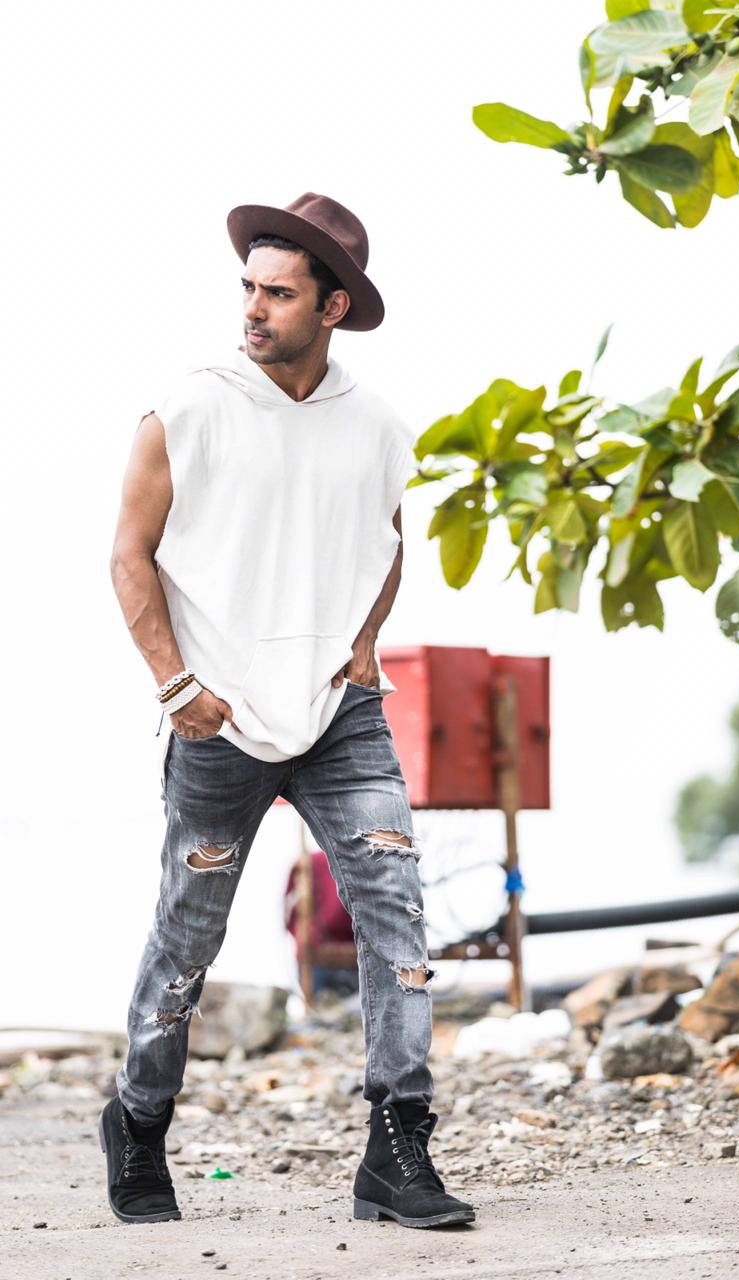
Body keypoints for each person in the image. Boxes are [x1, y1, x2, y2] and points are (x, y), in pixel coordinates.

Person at [100, 192, 476, 1230]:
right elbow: (129, 555)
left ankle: (397, 1147)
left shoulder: (378, 425)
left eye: (277, 293)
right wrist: (176, 685)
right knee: (188, 934)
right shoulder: (187, 407)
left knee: (397, 917)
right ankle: (138, 1121)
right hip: (215, 718)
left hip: (339, 717)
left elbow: (387, 541)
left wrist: (363, 643)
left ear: (331, 306)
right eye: (249, 288)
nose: (253, 308)